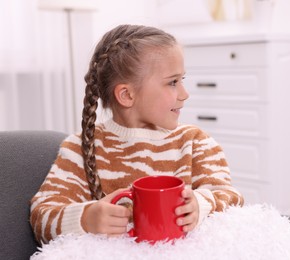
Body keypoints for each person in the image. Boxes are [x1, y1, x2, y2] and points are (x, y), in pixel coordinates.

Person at [30, 24, 244, 244]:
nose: (184, 94)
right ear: (126, 95)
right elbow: (41, 217)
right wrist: (86, 218)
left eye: (183, 80)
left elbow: (233, 199)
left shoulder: (195, 142)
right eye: (172, 82)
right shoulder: (79, 150)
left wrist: (202, 204)